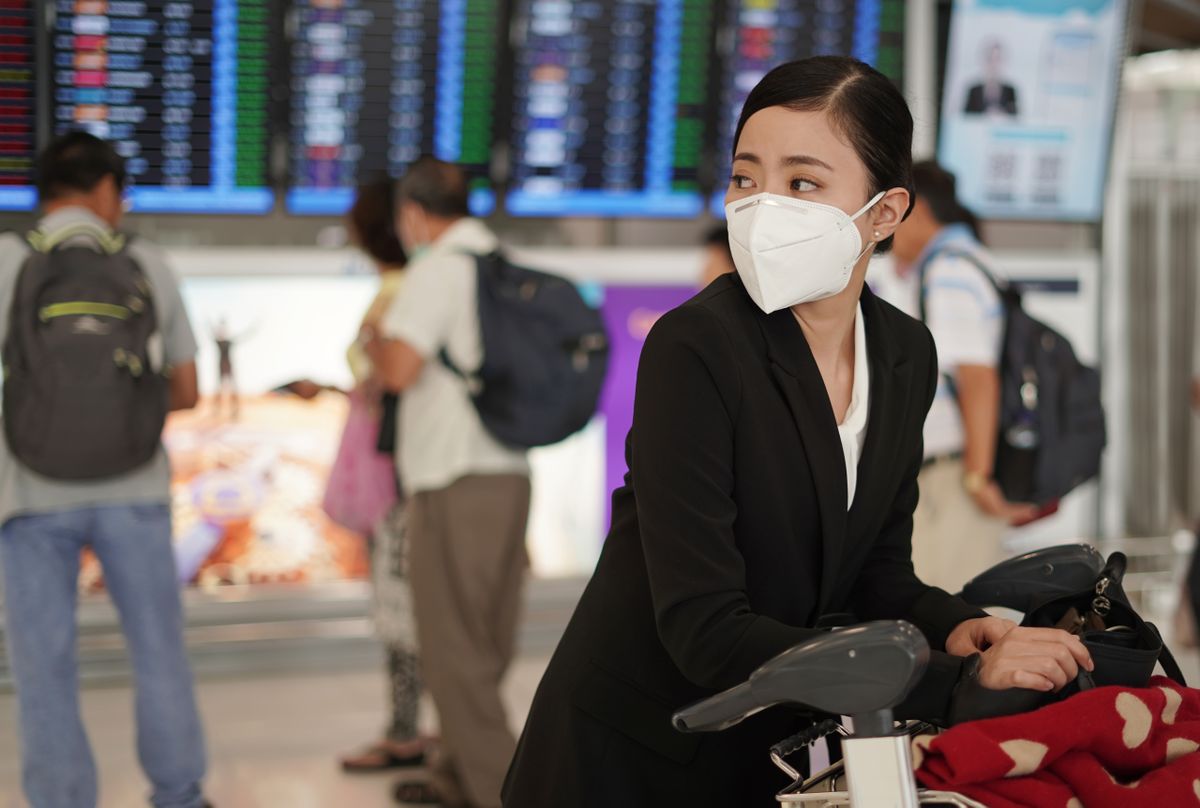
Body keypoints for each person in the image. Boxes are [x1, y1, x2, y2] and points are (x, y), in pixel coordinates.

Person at [502, 57, 1092, 808]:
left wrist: (961, 628)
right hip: (641, 752)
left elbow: (878, 571)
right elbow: (705, 628)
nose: (761, 206)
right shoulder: (698, 345)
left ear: (885, 213)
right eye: (746, 178)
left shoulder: (903, 352)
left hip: (772, 751)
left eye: (802, 183)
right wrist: (955, 683)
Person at [0, 132, 207, 807]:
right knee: (158, 654)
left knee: (43, 666)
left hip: (29, 493)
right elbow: (185, 389)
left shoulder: (7, 261)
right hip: (135, 486)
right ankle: (178, 794)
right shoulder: (146, 261)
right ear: (106, 191)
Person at [369, 157, 530, 808]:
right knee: (485, 637)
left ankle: (504, 788)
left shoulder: (437, 270)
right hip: (510, 472)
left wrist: (374, 340)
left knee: (450, 645)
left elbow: (400, 370)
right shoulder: (503, 265)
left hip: (451, 478)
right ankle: (456, 778)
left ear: (413, 213)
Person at [284, 179, 433, 775]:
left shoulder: (400, 292)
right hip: (402, 467)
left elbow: (392, 379)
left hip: (398, 473)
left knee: (401, 608)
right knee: (409, 604)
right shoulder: (408, 286)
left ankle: (405, 732)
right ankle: (416, 728)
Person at [880, 161, 1036, 592]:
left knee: (951, 619)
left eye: (890, 209)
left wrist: (977, 476)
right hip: (954, 475)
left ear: (919, 209)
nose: (884, 226)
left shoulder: (949, 271)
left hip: (954, 478)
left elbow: (977, 378)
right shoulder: (970, 261)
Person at [963, 39, 1019, 117]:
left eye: (997, 59)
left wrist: (1001, 115)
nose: (994, 64)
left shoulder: (1010, 91)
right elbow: (966, 117)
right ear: (985, 61)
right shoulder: (974, 90)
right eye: (990, 59)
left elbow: (1016, 118)